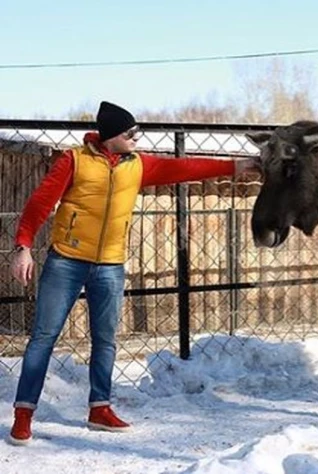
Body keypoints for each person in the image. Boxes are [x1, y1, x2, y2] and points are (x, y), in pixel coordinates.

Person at [8, 101, 257, 445]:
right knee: (43, 338)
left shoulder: (138, 165)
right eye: (131, 133)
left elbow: (186, 168)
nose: (137, 138)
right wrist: (22, 246)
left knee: (106, 340)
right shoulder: (74, 161)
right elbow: (39, 203)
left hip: (111, 265)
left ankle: (100, 408)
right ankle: (23, 415)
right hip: (66, 261)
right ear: (112, 136)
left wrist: (238, 165)